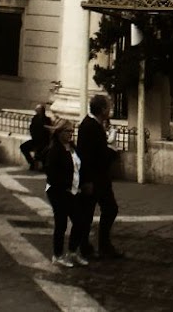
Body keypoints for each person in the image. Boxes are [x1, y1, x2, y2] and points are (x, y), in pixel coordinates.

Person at [73, 94, 123, 260]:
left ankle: (100, 244)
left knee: (109, 209)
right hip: (93, 179)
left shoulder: (94, 124)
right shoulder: (89, 126)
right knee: (89, 213)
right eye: (109, 106)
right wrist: (113, 151)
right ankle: (88, 246)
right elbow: (88, 156)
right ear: (102, 109)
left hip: (100, 179)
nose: (111, 110)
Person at [44, 118, 89, 267]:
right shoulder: (54, 150)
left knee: (80, 221)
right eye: (67, 131)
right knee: (61, 223)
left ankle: (73, 252)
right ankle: (57, 255)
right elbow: (51, 173)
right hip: (59, 192)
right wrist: (65, 186)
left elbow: (77, 167)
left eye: (72, 131)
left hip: (73, 190)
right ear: (59, 132)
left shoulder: (72, 147)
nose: (71, 134)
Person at [21, 103, 52, 171]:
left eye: (38, 110)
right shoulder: (34, 119)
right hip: (35, 141)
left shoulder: (47, 120)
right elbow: (32, 129)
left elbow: (48, 131)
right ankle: (31, 162)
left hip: (44, 141)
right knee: (23, 147)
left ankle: (44, 166)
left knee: (42, 150)